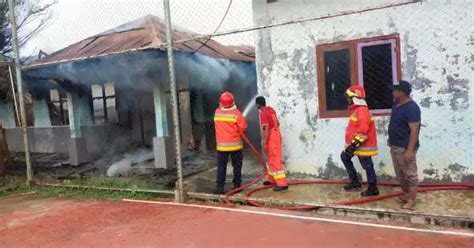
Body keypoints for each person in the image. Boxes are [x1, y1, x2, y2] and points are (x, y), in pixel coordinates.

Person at [388, 80, 421, 210]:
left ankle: (412, 201)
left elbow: (414, 130)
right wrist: (390, 138)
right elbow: (395, 123)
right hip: (395, 145)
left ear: (401, 92)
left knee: (410, 174)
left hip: (405, 147)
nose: (393, 92)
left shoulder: (412, 108)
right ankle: (407, 194)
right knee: (400, 173)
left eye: (395, 90)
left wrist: (409, 150)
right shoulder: (396, 104)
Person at [341, 85, 379, 196]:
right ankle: (355, 183)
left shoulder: (362, 111)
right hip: (355, 145)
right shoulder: (358, 110)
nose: (347, 100)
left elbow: (363, 132)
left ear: (355, 98)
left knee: (367, 166)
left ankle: (373, 188)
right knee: (344, 157)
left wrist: (353, 145)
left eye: (349, 98)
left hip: (362, 146)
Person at [213, 92, 248, 194]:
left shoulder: (217, 112)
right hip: (235, 146)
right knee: (237, 166)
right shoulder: (236, 113)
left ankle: (220, 187)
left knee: (221, 167)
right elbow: (243, 127)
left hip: (221, 147)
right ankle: (237, 185)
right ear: (233, 102)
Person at [256, 96, 288, 192]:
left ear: (258, 104)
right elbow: (277, 123)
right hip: (276, 134)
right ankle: (272, 179)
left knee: (275, 160)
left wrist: (264, 142)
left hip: (272, 137)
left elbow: (265, 129)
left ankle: (282, 183)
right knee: (271, 159)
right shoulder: (271, 110)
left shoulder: (263, 113)